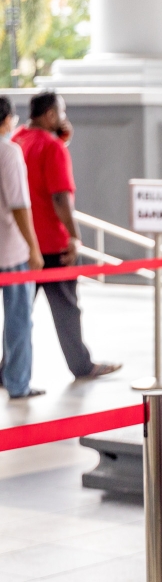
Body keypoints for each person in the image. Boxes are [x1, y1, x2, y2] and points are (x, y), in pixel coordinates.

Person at [13, 90, 120, 380]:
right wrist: (74, 237)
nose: (64, 117)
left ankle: (7, 370)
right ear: (50, 115)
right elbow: (60, 198)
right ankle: (82, 366)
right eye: (61, 112)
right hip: (51, 244)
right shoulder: (52, 147)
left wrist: (61, 141)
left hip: (21, 245)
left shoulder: (15, 142)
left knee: (18, 314)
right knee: (67, 311)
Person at [0, 97, 45, 398]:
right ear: (7, 119)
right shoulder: (9, 152)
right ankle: (17, 382)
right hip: (10, 250)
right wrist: (34, 247)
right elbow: (19, 204)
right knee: (18, 320)